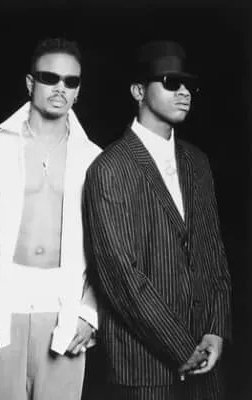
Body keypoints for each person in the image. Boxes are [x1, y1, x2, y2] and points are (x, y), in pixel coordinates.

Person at [0, 38, 102, 400]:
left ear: (78, 90)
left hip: (65, 308)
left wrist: (90, 313)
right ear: (30, 83)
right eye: (50, 78)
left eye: (71, 81)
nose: (60, 88)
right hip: (1, 304)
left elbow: (113, 248)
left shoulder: (95, 160)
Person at [82, 40, 231, 399]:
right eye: (170, 82)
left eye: (189, 85)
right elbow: (121, 277)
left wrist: (216, 330)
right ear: (138, 91)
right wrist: (182, 347)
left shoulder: (198, 162)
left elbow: (214, 255)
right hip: (144, 368)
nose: (184, 93)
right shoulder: (109, 168)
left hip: (207, 361)